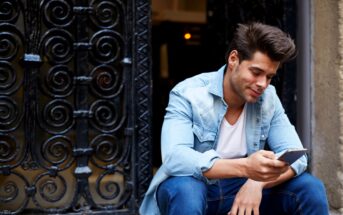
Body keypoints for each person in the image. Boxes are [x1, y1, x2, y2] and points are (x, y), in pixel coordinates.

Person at [140, 22, 329, 215]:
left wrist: (257, 182)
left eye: (269, 77)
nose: (262, 84)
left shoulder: (268, 98)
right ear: (233, 60)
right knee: (186, 189)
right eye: (256, 73)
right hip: (198, 188)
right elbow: (175, 157)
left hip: (243, 191)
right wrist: (247, 168)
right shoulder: (188, 93)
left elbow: (297, 157)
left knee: (309, 187)